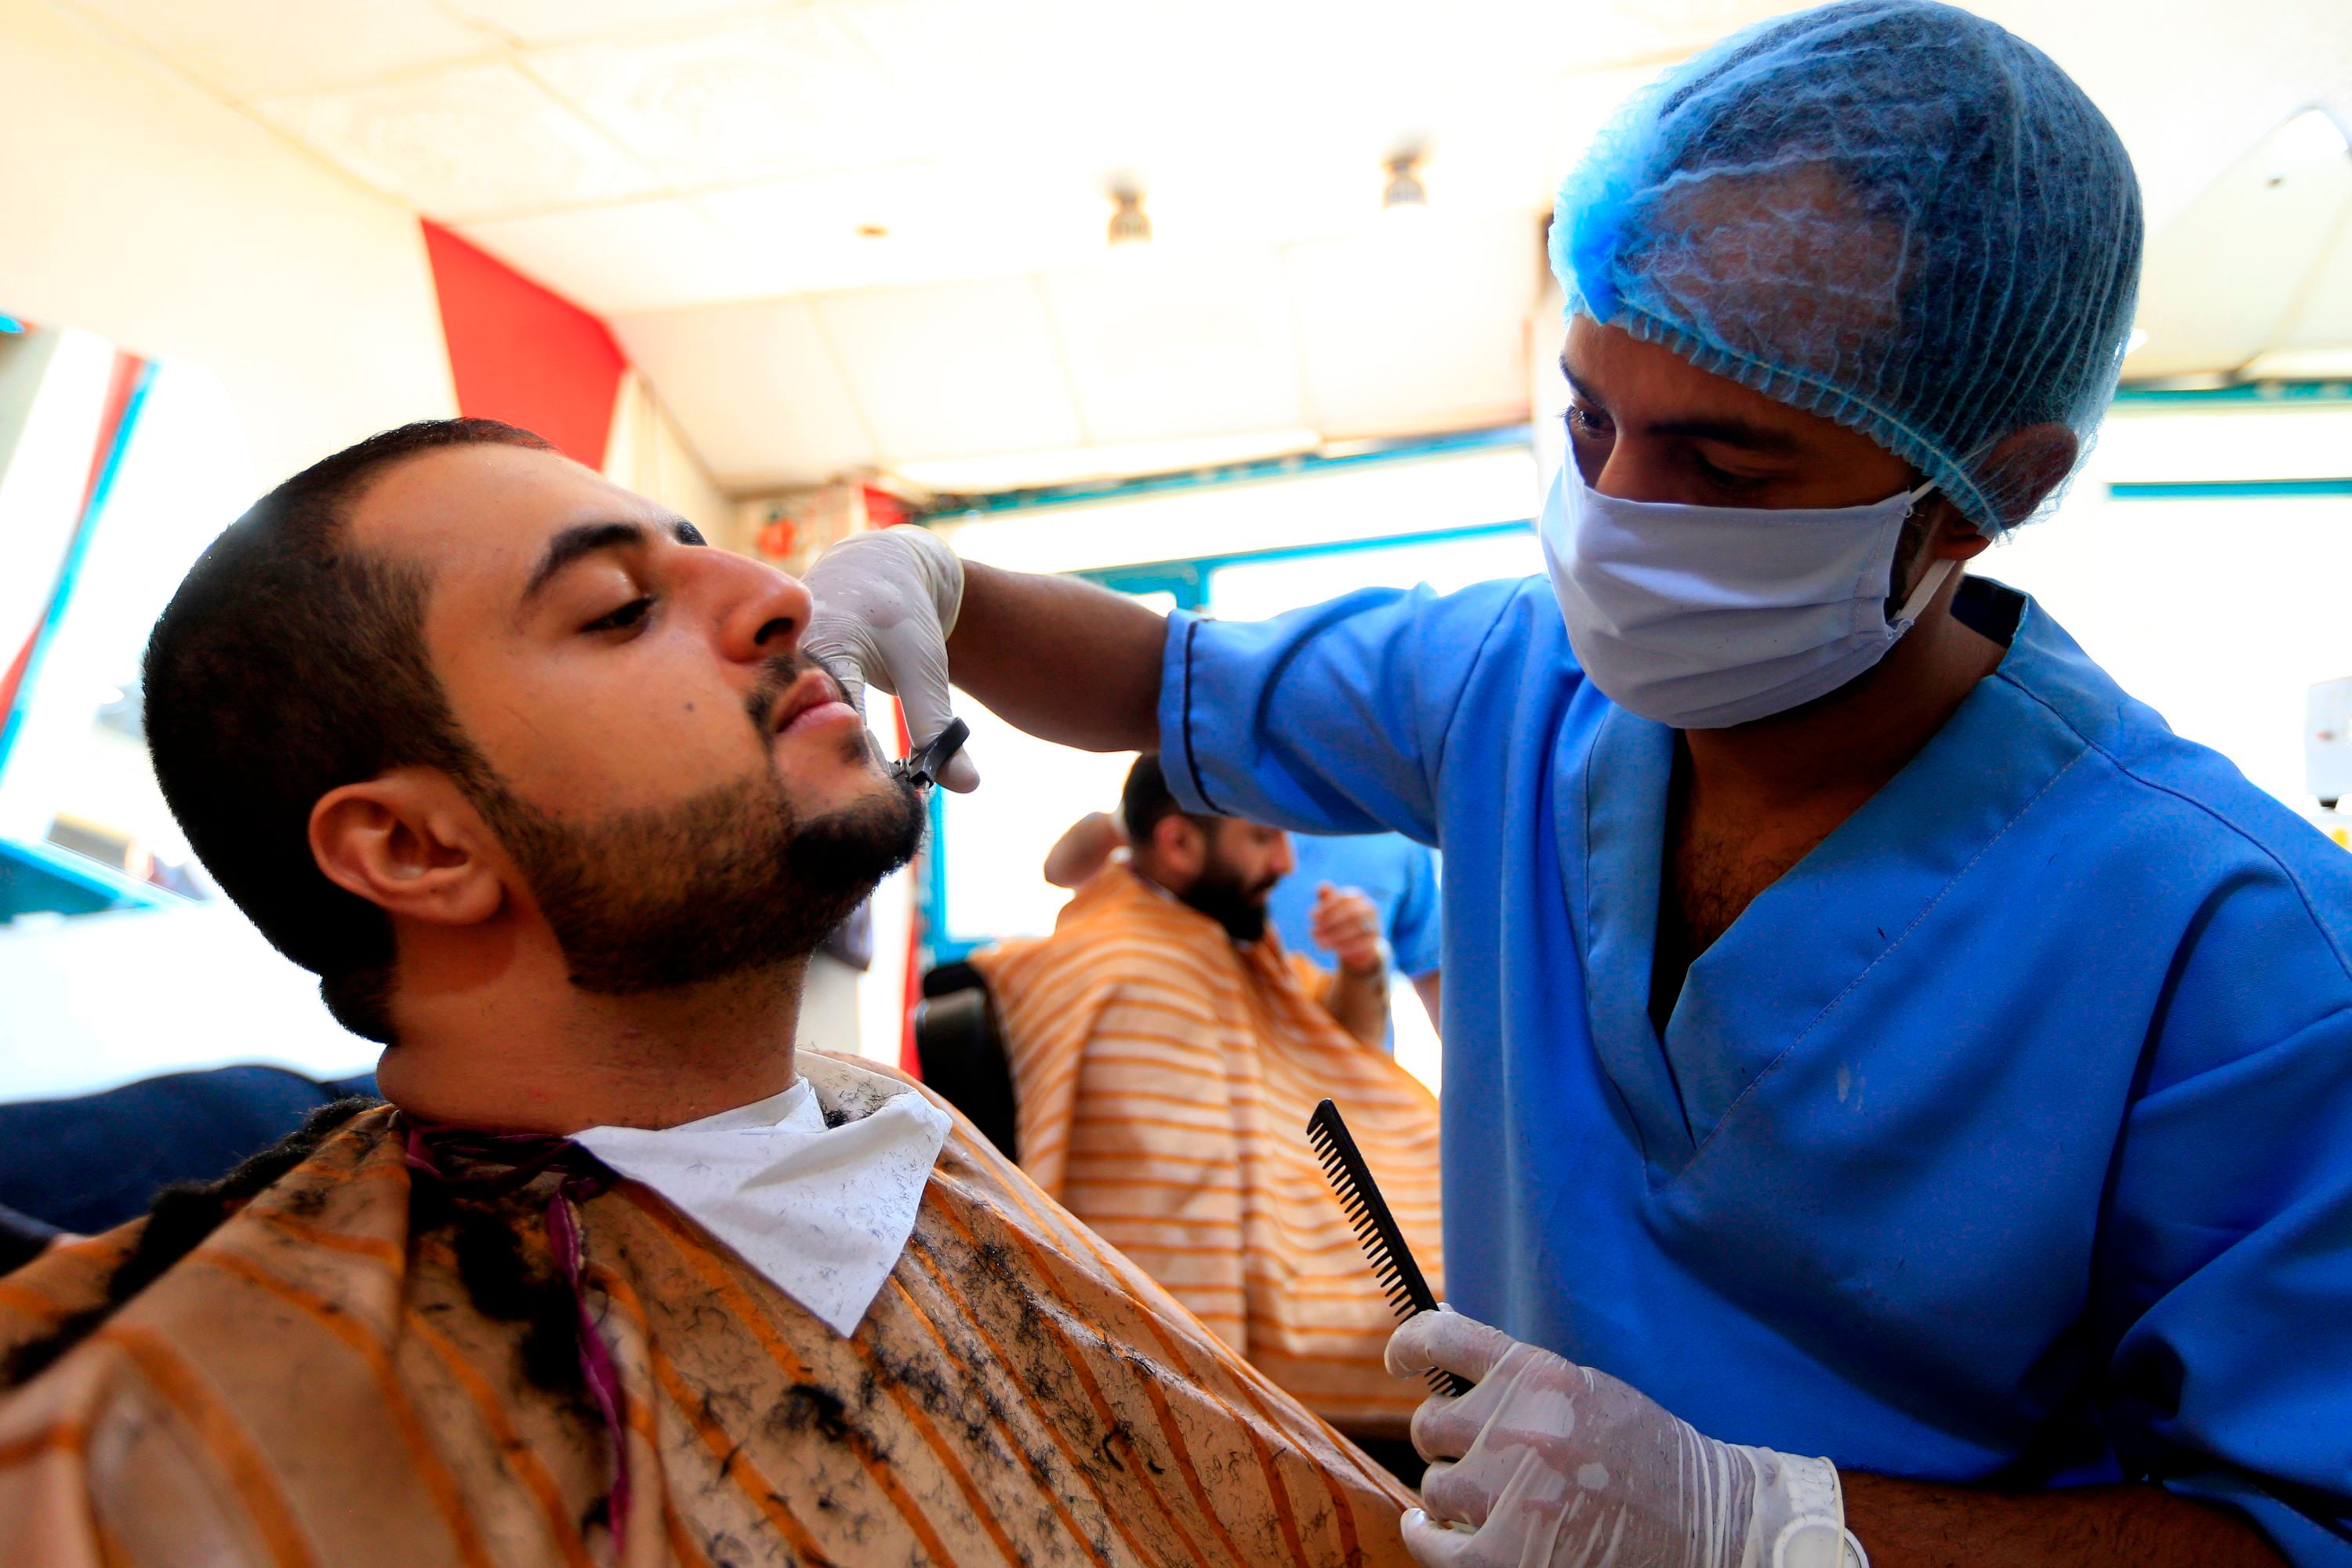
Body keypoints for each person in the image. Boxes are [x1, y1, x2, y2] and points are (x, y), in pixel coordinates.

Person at [797, 3, 2352, 1562]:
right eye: (1589, 421)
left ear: (1982, 493)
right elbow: (1157, 674)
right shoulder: (1512, 686)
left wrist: (1760, 1526)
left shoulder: (2233, 952)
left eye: (1722, 467)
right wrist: (944, 591)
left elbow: (2294, 1531)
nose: (1613, 512)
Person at [0, 419, 1417, 1566]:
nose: (781, 594)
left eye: (696, 548)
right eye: (621, 609)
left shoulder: (884, 1134)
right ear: (419, 849)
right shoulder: (168, 1466)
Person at [975, 756, 1443, 1439]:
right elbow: (1181, 1296)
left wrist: (1364, 966)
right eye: (1263, 837)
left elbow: (1329, 1034)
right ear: (1178, 843)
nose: (1286, 862)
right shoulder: (1128, 978)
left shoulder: (1220, 940)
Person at [1047, 810, 1443, 1039]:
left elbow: (1435, 978)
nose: (1285, 864)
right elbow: (1060, 870)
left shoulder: (1397, 834)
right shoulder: (1213, 795)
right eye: (1263, 838)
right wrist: (1135, 811)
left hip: (1342, 1101)